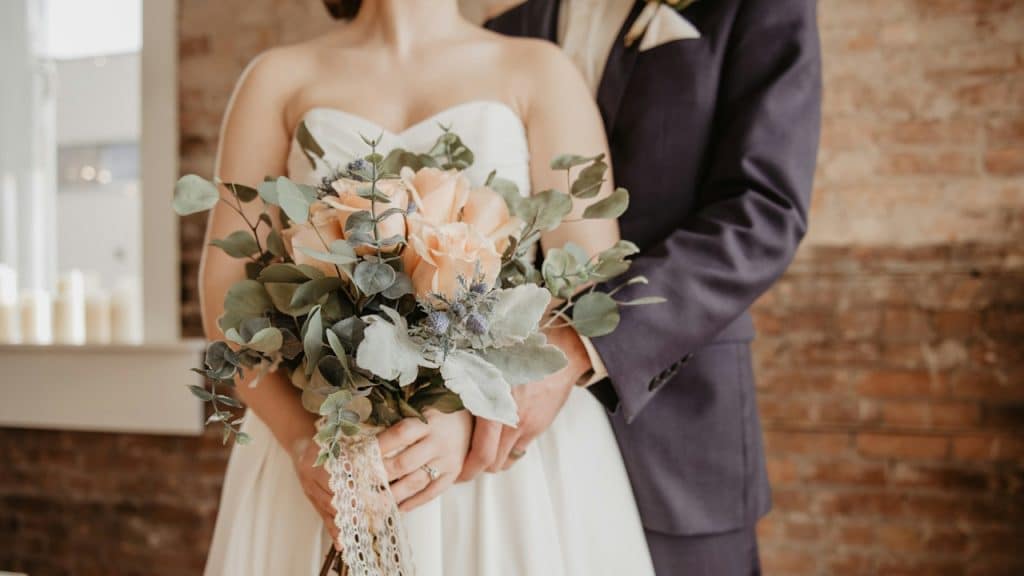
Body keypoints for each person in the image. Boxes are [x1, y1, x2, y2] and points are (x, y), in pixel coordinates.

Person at [200, 1, 655, 574]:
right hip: (331, 448)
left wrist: (471, 407)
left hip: (498, 464)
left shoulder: (540, 70)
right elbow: (225, 296)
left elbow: (591, 285)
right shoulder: (277, 78)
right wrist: (304, 442)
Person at [479, 1, 822, 574]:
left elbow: (764, 211)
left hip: (678, 423)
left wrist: (579, 344)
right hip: (512, 449)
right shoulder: (506, 28)